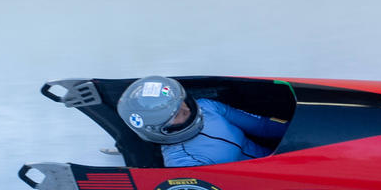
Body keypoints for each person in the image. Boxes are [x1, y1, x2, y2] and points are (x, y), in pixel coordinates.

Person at [117, 76, 288, 167]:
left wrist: (301, 134)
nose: (187, 110)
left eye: (181, 102)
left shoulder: (207, 107)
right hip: (269, 179)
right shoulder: (182, 162)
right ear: (162, 130)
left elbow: (262, 126)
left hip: (285, 158)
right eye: (176, 115)